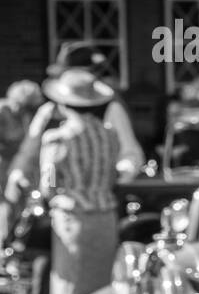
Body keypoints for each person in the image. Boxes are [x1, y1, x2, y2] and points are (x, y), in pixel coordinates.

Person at [4, 43, 143, 207]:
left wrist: (111, 177)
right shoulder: (48, 113)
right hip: (78, 207)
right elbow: (29, 152)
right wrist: (18, 174)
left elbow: (129, 154)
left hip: (81, 205)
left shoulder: (111, 110)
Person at [34, 69, 121, 294]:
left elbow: (47, 184)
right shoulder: (109, 134)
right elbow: (112, 176)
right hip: (106, 218)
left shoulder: (58, 138)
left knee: (72, 290)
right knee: (101, 290)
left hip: (73, 219)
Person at [0, 80, 43, 237]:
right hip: (3, 163)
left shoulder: (26, 115)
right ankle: (4, 240)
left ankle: (17, 238)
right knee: (5, 203)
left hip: (20, 164)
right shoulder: (2, 111)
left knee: (22, 202)